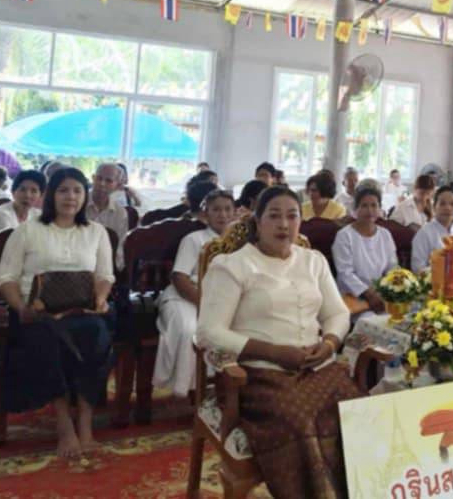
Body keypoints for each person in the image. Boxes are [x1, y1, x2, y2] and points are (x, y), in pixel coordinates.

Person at [197, 186, 358, 498]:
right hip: (257, 376)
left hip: (317, 370)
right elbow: (208, 331)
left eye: (292, 216)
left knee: (356, 410)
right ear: (258, 222)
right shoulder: (232, 266)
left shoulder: (314, 261)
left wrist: (328, 344)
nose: (284, 224)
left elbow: (338, 313)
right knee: (299, 420)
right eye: (274, 216)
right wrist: (273, 352)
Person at [0, 167, 115, 458]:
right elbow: (5, 278)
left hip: (82, 311)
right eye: (63, 190)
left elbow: (105, 276)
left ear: (85, 196)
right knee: (46, 336)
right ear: (50, 196)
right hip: (37, 313)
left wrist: (100, 299)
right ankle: (64, 423)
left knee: (98, 334)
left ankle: (85, 421)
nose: (70, 197)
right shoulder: (28, 230)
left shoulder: (96, 232)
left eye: (77, 190)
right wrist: (21, 307)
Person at [152, 189, 236, 397]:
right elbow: (179, 277)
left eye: (228, 209)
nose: (223, 215)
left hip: (224, 302)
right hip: (186, 297)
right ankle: (185, 387)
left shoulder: (240, 243)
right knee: (190, 329)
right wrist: (204, 304)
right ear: (205, 214)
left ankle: (220, 388)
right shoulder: (194, 239)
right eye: (216, 210)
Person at [332, 184, 398, 315]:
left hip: (381, 295)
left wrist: (387, 290)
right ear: (355, 209)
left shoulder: (385, 234)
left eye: (374, 205)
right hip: (354, 298)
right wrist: (369, 293)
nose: (370, 210)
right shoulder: (345, 236)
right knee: (369, 321)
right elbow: (345, 273)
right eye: (364, 206)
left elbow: (392, 267)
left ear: (380, 208)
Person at [0, 169, 45, 278]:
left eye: (34, 191)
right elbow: (14, 254)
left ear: (40, 196)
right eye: (22, 189)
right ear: (13, 192)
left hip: (9, 268)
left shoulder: (36, 215)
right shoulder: (3, 216)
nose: (28, 195)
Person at [410, 186, 453, 272]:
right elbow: (417, 267)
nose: (448, 208)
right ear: (434, 207)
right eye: (442, 204)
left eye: (452, 204)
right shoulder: (424, 233)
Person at [86, 163, 130, 247]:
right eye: (99, 178)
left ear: (118, 186)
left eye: (108, 181)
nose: (102, 184)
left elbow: (119, 248)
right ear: (93, 179)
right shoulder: (77, 204)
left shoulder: (120, 213)